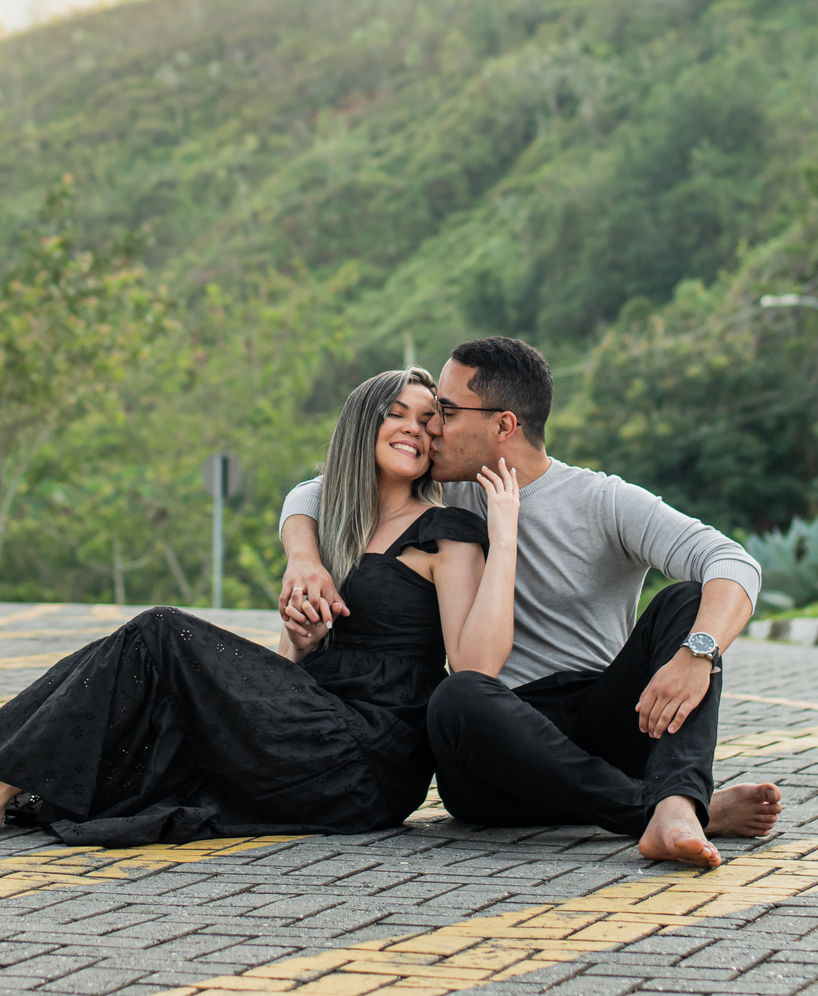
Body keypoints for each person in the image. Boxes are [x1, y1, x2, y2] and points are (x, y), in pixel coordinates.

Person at [0, 367, 520, 843]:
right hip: (313, 732)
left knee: (158, 632)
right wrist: (298, 646)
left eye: (431, 420)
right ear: (361, 427)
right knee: (114, 659)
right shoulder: (335, 530)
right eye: (396, 413)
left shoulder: (447, 531)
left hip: (366, 763)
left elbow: (475, 663)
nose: (415, 429)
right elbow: (291, 667)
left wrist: (505, 528)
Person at [278, 335, 782, 870]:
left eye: (445, 412)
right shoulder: (448, 491)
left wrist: (696, 654)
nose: (431, 429)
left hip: (602, 721)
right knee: (457, 695)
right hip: (493, 748)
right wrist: (303, 557)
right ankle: (667, 810)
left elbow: (732, 563)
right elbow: (316, 491)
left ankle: (677, 803)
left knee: (687, 602)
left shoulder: (604, 501)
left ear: (503, 426)